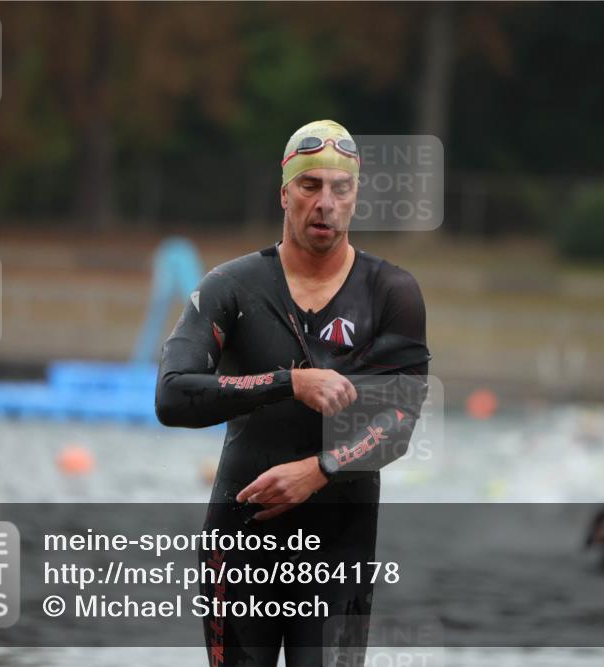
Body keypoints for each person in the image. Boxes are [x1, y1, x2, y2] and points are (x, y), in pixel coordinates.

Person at [155, 120, 431, 667]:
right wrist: (290, 383)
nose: (325, 203)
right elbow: (172, 396)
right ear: (285, 193)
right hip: (240, 544)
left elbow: (399, 423)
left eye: (340, 188)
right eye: (310, 187)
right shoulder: (229, 288)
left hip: (339, 554)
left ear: (355, 198)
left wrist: (318, 471)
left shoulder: (391, 294)